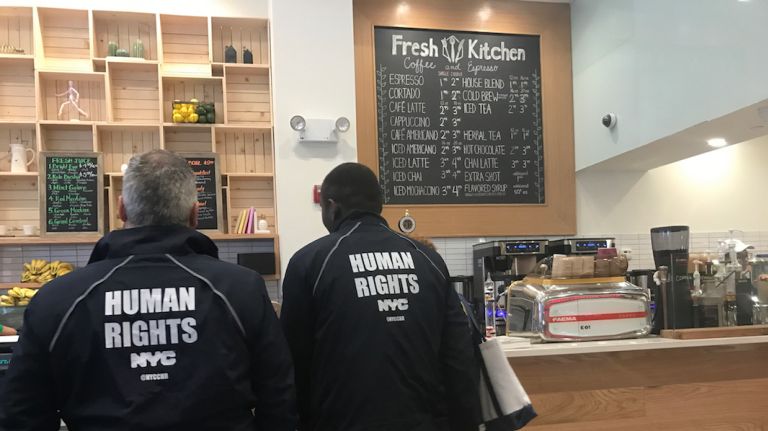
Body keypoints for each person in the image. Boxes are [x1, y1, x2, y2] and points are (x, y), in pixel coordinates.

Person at [0, 150, 296, 430]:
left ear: (121, 208)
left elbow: (21, 412)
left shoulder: (58, 299)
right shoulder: (241, 290)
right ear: (195, 214)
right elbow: (279, 398)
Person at [280, 162, 480, 431]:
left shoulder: (309, 262)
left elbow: (294, 361)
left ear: (331, 206)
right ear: (379, 204)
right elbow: (458, 356)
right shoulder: (428, 259)